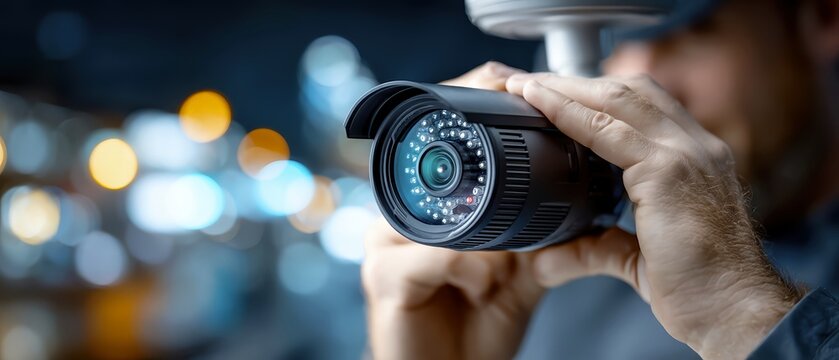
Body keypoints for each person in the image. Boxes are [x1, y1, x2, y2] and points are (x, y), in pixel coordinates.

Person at [361, 0, 839, 358]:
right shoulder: (532, 286)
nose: (639, 82)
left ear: (822, 15)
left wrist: (742, 316)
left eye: (695, 30)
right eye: (608, 41)